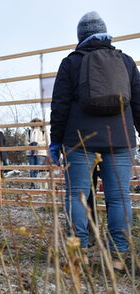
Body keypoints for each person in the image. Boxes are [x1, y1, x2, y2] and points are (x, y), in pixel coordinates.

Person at [50, 11, 140, 271]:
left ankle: (78, 256)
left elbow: (60, 106)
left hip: (79, 139)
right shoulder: (125, 61)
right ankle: (118, 257)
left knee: (77, 197)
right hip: (120, 139)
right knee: (119, 198)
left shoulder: (71, 62)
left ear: (80, 37)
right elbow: (138, 101)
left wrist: (56, 142)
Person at [26, 118, 47, 188]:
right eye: (35, 122)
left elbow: (46, 142)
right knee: (32, 169)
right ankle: (33, 184)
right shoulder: (29, 131)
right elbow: (26, 141)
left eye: (38, 122)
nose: (36, 123)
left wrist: (38, 144)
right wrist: (31, 144)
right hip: (30, 152)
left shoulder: (43, 131)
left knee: (37, 169)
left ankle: (37, 185)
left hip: (40, 152)